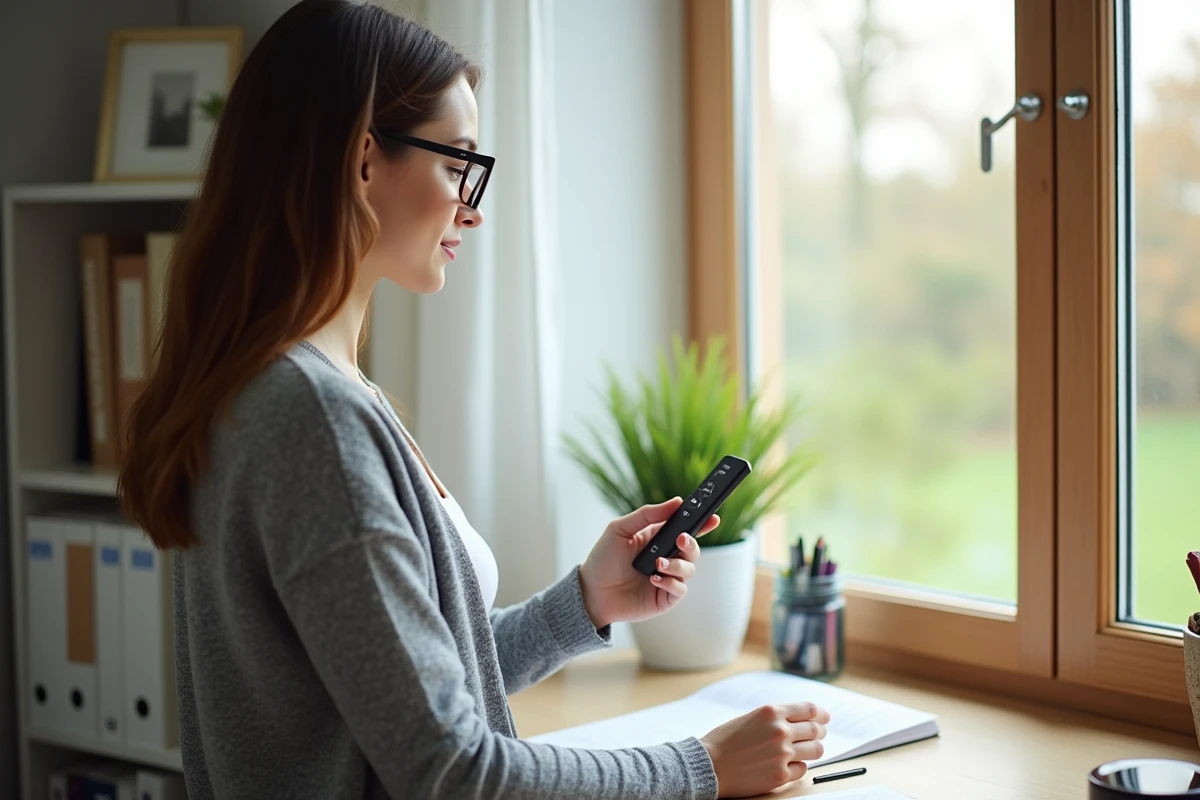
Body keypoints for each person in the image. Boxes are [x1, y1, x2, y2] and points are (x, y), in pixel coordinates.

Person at [116, 1, 830, 798]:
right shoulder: (310, 418)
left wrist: (584, 602)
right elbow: (451, 770)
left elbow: (403, 693)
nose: (473, 206)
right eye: (456, 164)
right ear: (361, 161)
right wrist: (698, 769)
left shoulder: (289, 389)